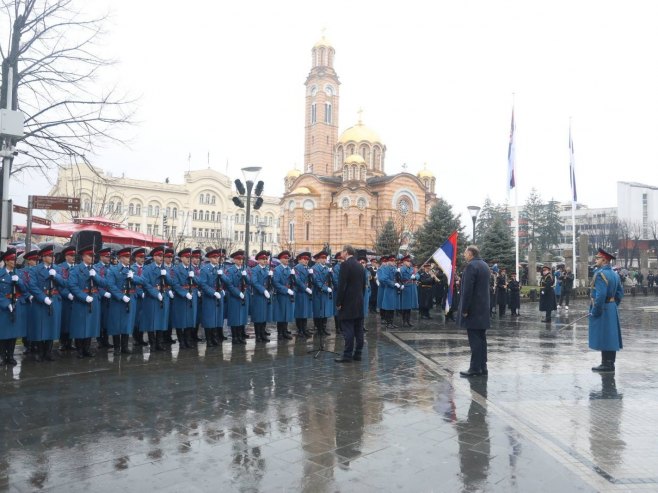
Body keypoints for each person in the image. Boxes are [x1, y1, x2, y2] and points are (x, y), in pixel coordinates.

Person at [27, 245, 67, 361]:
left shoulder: (57, 269)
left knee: (52, 326)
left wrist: (56, 276)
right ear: (43, 257)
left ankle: (48, 352)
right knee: (41, 326)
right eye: (50, 256)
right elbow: (32, 286)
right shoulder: (35, 269)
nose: (52, 258)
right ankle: (40, 352)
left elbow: (64, 284)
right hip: (41, 301)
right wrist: (43, 298)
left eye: (53, 256)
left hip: (54, 299)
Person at [68, 245, 109, 358]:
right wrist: (83, 296)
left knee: (91, 325)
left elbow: (104, 283)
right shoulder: (76, 269)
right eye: (90, 256)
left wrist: (95, 276)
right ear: (83, 256)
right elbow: (72, 285)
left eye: (93, 256)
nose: (92, 258)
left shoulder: (94, 269)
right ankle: (79, 349)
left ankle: (87, 348)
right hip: (82, 300)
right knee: (80, 326)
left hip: (94, 299)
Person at [457, 245, 490, 377]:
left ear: (470, 253)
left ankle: (475, 368)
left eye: (465, 253)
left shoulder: (471, 266)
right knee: (482, 339)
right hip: (483, 308)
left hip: (473, 309)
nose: (464, 255)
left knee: (475, 340)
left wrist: (465, 309)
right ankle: (483, 366)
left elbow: (467, 291)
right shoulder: (484, 265)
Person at [589, 248, 624, 372]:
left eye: (598, 258)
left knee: (604, 336)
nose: (595, 260)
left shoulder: (600, 274)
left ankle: (605, 363)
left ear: (604, 260)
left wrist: (596, 310)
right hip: (611, 307)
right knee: (611, 336)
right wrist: (613, 304)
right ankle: (610, 363)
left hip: (603, 307)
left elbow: (600, 295)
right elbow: (620, 293)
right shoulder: (614, 274)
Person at [105, 247, 142, 354]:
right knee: (116, 324)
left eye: (129, 257)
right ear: (120, 258)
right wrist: (121, 296)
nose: (128, 259)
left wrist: (133, 277)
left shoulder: (133, 270)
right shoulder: (113, 269)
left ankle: (124, 347)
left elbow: (143, 281)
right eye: (125, 257)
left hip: (130, 298)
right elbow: (111, 285)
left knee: (127, 323)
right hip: (118, 300)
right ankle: (117, 347)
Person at [335, 245, 365, 363]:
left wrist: (339, 302)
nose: (341, 253)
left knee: (348, 329)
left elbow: (342, 286)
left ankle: (347, 355)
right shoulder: (360, 265)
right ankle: (358, 354)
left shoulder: (345, 265)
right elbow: (362, 285)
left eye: (342, 251)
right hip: (359, 302)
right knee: (359, 329)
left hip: (348, 302)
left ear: (346, 252)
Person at [0, 249, 29, 365]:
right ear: (6, 261)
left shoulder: (19, 273)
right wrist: (6, 304)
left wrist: (19, 282)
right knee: (3, 333)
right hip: (4, 307)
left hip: (16, 304)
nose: (14, 261)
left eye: (14, 259)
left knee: (13, 333)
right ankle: (2, 356)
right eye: (11, 260)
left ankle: (10, 356)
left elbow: (25, 290)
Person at [169, 248, 199, 349]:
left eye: (189, 257)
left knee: (190, 319)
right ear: (181, 258)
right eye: (186, 257)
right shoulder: (175, 269)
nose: (188, 259)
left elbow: (198, 282)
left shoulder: (192, 269)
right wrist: (184, 293)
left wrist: (193, 277)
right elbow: (175, 284)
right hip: (181, 297)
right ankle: (181, 341)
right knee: (180, 320)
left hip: (192, 296)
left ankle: (188, 340)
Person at [198, 249, 227, 346]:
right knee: (209, 318)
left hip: (219, 296)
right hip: (209, 297)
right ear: (210, 258)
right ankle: (209, 339)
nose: (217, 259)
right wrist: (213, 292)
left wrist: (221, 275)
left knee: (217, 317)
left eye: (218, 257)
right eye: (215, 257)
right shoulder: (205, 269)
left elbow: (227, 281)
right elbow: (203, 284)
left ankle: (215, 337)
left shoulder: (219, 269)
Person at [249, 250, 274, 343]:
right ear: (258, 260)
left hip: (266, 296)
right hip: (259, 296)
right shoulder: (254, 270)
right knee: (258, 317)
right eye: (263, 259)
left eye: (266, 259)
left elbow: (271, 284)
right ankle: (258, 335)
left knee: (264, 316)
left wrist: (271, 278)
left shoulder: (267, 270)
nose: (265, 261)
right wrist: (263, 290)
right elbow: (254, 282)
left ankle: (263, 334)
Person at [272, 251, 295, 341]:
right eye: (285, 258)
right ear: (280, 259)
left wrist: (294, 275)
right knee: (281, 314)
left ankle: (285, 331)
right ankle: (280, 333)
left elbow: (293, 282)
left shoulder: (289, 269)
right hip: (281, 295)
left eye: (287, 258)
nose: (287, 260)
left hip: (288, 295)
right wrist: (286, 290)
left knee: (287, 314)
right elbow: (276, 283)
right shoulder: (277, 269)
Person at [311, 250, 333, 336]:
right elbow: (317, 281)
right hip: (318, 293)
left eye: (325, 258)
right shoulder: (314, 268)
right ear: (319, 259)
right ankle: (318, 329)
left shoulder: (327, 268)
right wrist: (325, 288)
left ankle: (323, 328)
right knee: (318, 311)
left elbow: (330, 280)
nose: (324, 260)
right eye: (322, 258)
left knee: (325, 311)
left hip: (325, 294)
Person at [293, 251, 314, 338]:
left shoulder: (308, 268)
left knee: (305, 312)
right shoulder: (296, 268)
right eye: (304, 259)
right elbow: (297, 280)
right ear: (299, 260)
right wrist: (306, 288)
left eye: (307, 259)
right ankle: (300, 330)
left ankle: (304, 329)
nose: (306, 261)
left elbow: (311, 280)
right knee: (300, 312)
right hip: (300, 293)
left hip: (306, 294)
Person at [398, 255, 418, 327]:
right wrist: (410, 277)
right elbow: (400, 277)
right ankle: (404, 321)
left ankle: (408, 321)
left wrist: (415, 276)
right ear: (404, 262)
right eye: (408, 261)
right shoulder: (401, 269)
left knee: (409, 306)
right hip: (405, 287)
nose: (409, 262)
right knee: (405, 306)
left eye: (409, 261)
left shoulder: (412, 268)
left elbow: (418, 275)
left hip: (412, 287)